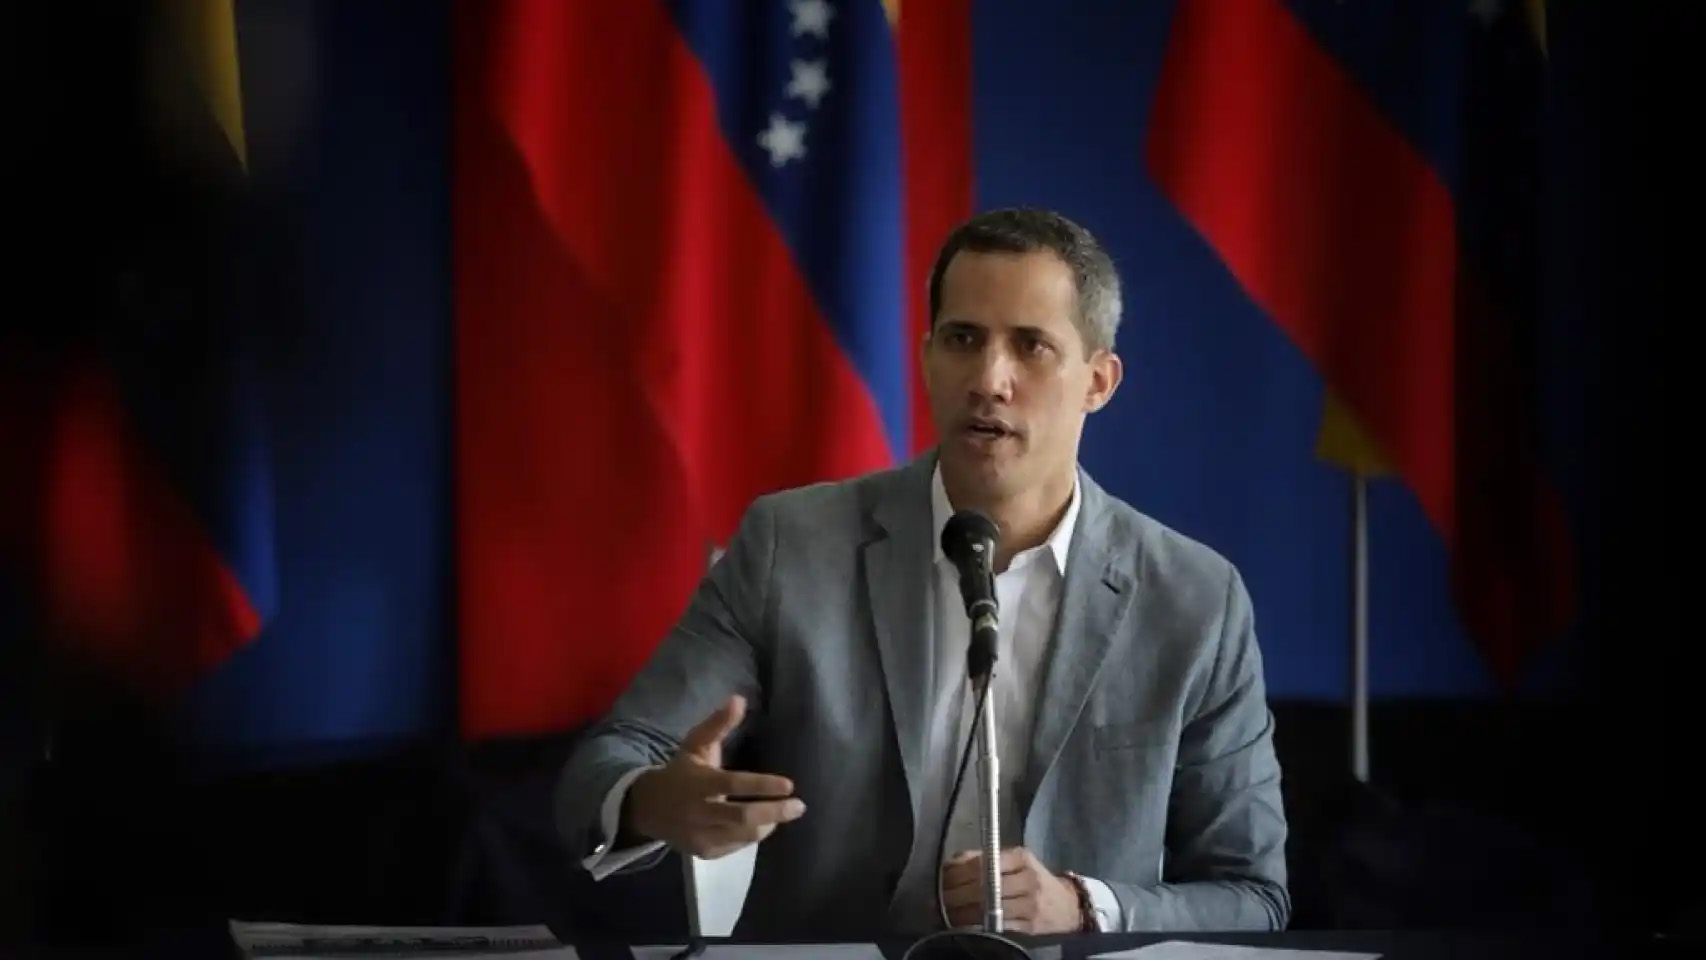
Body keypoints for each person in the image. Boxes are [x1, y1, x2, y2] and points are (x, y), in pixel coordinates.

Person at [554, 207, 1289, 938]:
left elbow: (1253, 895)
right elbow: (606, 766)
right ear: (927, 357)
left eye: (1030, 346)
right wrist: (653, 801)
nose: (989, 380)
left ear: (1098, 381)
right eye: (964, 340)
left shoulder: (1194, 599)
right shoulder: (793, 547)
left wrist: (1086, 906)